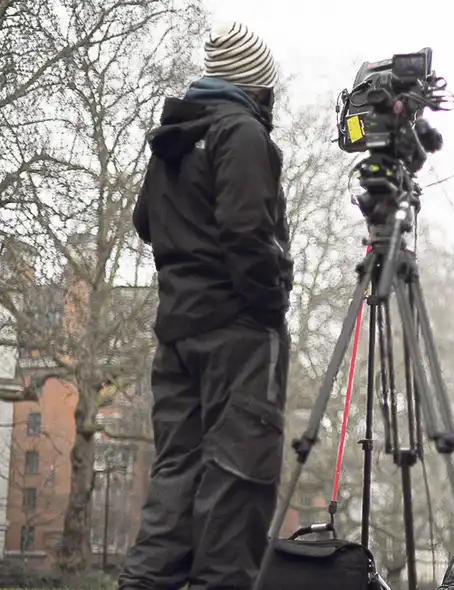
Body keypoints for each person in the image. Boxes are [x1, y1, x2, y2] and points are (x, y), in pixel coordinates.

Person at [118, 21, 292, 590]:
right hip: (236, 332)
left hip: (178, 335)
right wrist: (268, 305)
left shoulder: (175, 135)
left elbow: (146, 222)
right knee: (237, 483)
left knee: (176, 478)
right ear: (256, 82)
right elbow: (246, 232)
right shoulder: (239, 132)